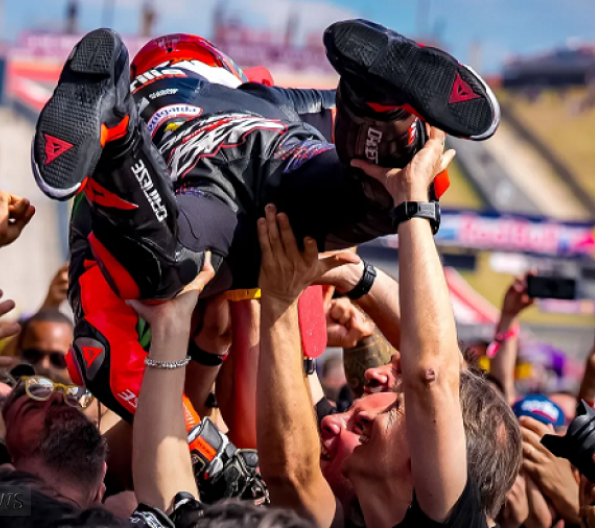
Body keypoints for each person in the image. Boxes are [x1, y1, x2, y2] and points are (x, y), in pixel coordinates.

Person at [33, 19, 501, 430]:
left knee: (167, 270)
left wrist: (208, 452)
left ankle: (118, 140)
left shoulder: (94, 193)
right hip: (272, 141)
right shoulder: (260, 92)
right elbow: (393, 150)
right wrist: (406, 143)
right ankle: (379, 104)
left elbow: (101, 357)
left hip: (205, 199)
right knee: (382, 192)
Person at [254, 128, 521, 528]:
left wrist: (412, 200)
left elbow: (433, 374)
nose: (362, 408)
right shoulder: (357, 515)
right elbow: (292, 474)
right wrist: (349, 274)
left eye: (397, 405)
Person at [16, 308, 74, 384]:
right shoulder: (4, 389)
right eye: (33, 355)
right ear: (18, 352)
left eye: (57, 358)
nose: (44, 365)